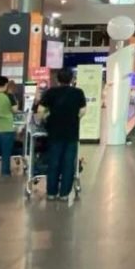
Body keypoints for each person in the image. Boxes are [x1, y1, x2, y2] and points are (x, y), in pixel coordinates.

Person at [35, 68, 87, 201]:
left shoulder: (50, 92)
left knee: (54, 161)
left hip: (54, 131)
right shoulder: (78, 92)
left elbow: (40, 110)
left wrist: (45, 118)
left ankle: (51, 192)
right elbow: (83, 111)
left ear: (57, 79)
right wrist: (74, 118)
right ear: (72, 79)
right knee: (68, 163)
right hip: (71, 131)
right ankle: (64, 194)